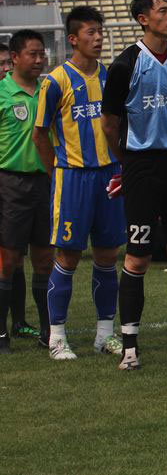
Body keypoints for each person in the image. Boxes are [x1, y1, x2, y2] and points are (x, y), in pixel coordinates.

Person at [102, 0, 167, 370]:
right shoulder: (125, 65)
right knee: (138, 256)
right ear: (143, 18)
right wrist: (127, 162)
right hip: (141, 167)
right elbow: (109, 123)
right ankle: (130, 346)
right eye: (163, 11)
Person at [33, 7, 124, 360]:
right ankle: (57, 337)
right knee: (68, 256)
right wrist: (57, 172)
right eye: (91, 32)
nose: (98, 38)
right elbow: (40, 134)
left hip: (109, 176)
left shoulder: (111, 76)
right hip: (72, 177)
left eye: (100, 31)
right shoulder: (56, 81)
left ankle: (105, 335)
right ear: (73, 39)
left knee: (108, 255)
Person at [0, 30, 53, 352]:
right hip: (11, 184)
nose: (38, 60)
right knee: (8, 261)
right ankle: (2, 333)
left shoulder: (49, 90)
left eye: (41, 54)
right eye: (32, 54)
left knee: (45, 259)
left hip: (45, 183)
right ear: (16, 57)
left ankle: (49, 331)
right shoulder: (2, 92)